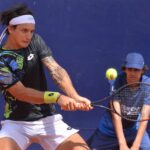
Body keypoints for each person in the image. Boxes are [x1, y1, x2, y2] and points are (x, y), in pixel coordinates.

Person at [0, 4, 92, 150]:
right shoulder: (1, 60)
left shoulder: (35, 41)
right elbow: (20, 92)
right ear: (11, 29)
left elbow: (55, 69)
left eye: (31, 31)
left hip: (48, 119)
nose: (28, 36)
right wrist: (57, 97)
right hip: (16, 123)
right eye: (24, 30)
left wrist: (75, 96)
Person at [87, 52, 150, 150]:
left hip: (132, 131)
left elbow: (145, 116)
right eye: (129, 69)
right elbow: (116, 115)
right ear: (125, 69)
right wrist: (122, 144)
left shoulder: (147, 85)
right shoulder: (117, 82)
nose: (133, 73)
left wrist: (136, 145)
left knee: (146, 147)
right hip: (109, 132)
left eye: (136, 70)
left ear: (142, 70)